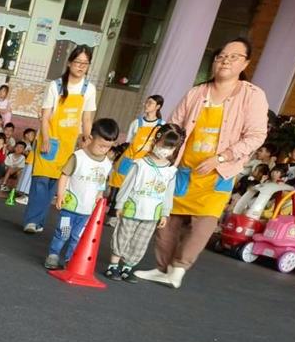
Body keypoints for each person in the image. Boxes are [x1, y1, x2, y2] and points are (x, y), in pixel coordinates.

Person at [137, 37, 268, 289]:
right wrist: (161, 156)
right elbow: (173, 126)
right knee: (167, 220)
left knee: (202, 225)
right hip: (184, 170)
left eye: (233, 57)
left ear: (245, 63)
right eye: (221, 56)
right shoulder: (196, 93)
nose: (225, 61)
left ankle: (178, 270)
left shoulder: (252, 96)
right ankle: (162, 268)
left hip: (219, 172)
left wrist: (221, 157)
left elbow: (256, 135)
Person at [23, 45, 97, 233]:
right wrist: (46, 139)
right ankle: (32, 222)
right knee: (40, 181)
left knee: (53, 184)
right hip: (50, 139)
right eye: (78, 62)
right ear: (69, 63)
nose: (81, 66)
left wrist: (87, 139)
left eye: (85, 63)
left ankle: (39, 222)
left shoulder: (89, 89)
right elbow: (45, 116)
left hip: (68, 145)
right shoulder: (55, 86)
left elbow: (87, 119)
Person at [105, 124, 184, 281]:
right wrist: (120, 204)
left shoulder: (170, 171)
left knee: (140, 242)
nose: (165, 150)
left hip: (152, 214)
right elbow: (127, 185)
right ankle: (113, 265)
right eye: (164, 145)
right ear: (155, 141)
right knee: (122, 236)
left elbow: (168, 194)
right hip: (132, 209)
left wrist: (165, 213)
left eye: (170, 147)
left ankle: (127, 267)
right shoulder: (140, 164)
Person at [44, 118, 117, 270]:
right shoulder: (78, 157)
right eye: (101, 145)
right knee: (63, 232)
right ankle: (53, 255)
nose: (104, 149)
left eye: (108, 147)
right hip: (70, 206)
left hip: (87, 210)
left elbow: (101, 183)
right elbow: (64, 175)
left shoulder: (106, 164)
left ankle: (71, 259)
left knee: (78, 236)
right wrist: (60, 194)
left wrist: (99, 197)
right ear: (91, 138)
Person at [108, 94, 164, 208]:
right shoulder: (136, 123)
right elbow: (129, 142)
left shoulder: (162, 125)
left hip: (147, 162)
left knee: (138, 187)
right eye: (146, 102)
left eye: (150, 103)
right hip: (130, 159)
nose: (146, 105)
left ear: (158, 107)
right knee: (119, 183)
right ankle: (113, 209)